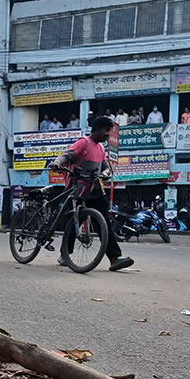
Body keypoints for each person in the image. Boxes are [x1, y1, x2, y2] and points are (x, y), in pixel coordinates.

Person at [51, 116, 134, 272]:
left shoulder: (101, 148)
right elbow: (66, 155)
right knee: (73, 223)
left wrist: (106, 172)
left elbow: (105, 166)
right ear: (96, 129)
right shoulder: (84, 142)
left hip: (94, 189)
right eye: (106, 131)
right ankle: (65, 255)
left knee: (104, 224)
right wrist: (57, 163)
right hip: (77, 189)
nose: (108, 135)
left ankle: (114, 259)